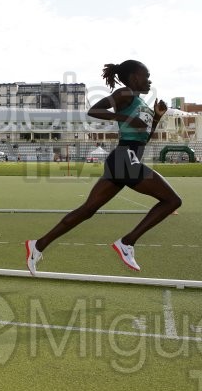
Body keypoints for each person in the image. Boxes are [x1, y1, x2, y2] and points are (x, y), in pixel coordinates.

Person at [24, 60, 181, 274]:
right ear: (134, 77)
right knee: (172, 200)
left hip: (127, 158)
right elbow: (94, 110)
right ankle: (127, 242)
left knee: (87, 210)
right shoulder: (125, 93)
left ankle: (38, 245)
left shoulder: (140, 102)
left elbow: (142, 139)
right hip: (124, 158)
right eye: (146, 75)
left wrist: (156, 118)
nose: (149, 80)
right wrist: (124, 117)